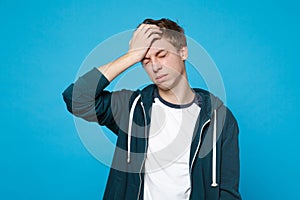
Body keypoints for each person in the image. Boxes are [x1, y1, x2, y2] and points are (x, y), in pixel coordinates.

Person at [62, 18, 242, 200]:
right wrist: (131, 56)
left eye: (162, 55)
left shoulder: (219, 118)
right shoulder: (132, 107)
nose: (155, 66)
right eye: (146, 60)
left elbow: (227, 192)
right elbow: (76, 98)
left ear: (183, 52)